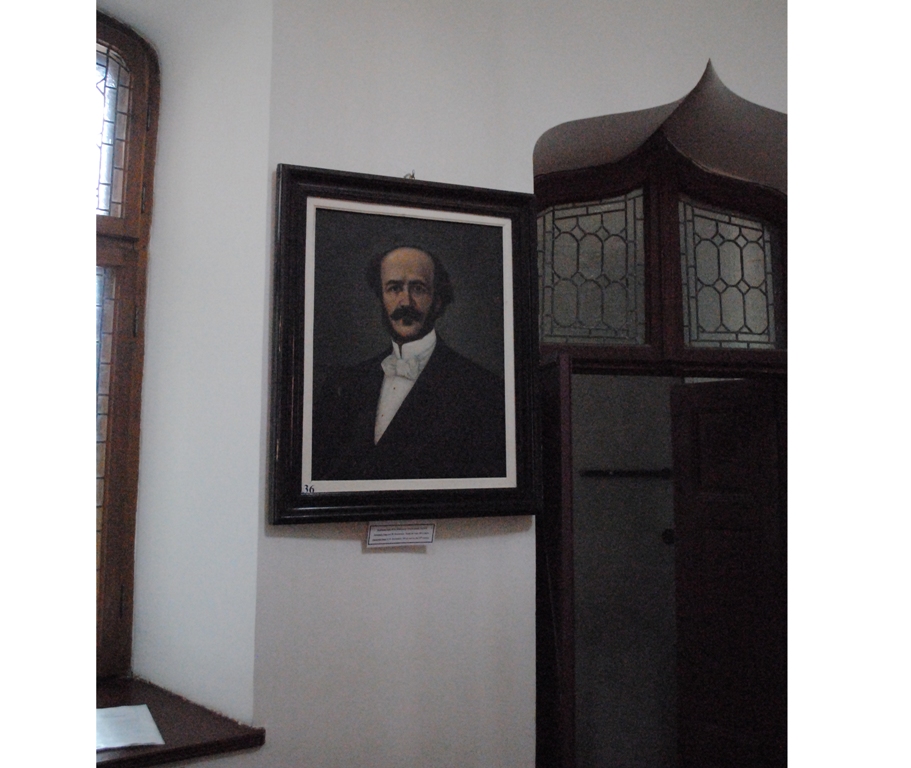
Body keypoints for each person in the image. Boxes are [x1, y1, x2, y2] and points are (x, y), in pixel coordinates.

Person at [311, 245, 506, 480]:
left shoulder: (483, 390)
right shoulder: (343, 385)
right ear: (381, 297)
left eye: (418, 289)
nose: (406, 302)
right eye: (394, 288)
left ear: (438, 300)